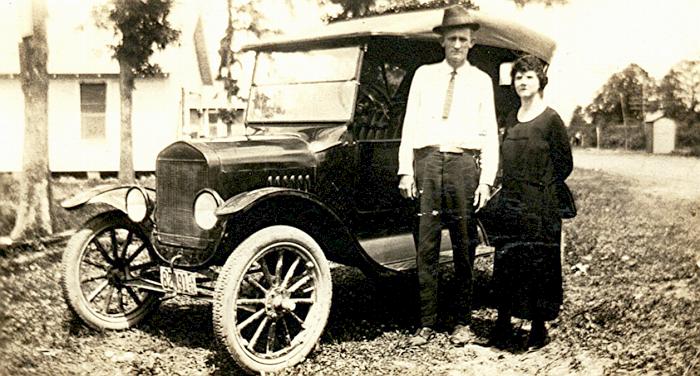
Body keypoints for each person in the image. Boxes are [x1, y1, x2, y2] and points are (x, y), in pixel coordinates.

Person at [397, 5, 499, 346]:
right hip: (427, 163)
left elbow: (489, 133)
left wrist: (486, 180)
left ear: (471, 44)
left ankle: (462, 322)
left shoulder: (481, 81)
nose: (457, 45)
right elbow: (409, 124)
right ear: (442, 42)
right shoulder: (424, 75)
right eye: (452, 38)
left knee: (463, 244)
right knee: (425, 244)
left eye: (463, 39)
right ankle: (426, 322)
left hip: (463, 166)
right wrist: (405, 171)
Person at [489, 55, 573, 349]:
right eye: (518, 77)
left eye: (529, 76)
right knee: (507, 261)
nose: (522, 82)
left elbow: (564, 164)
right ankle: (503, 326)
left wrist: (542, 188)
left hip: (540, 205)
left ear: (540, 82)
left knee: (539, 265)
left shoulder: (551, 119)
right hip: (511, 202)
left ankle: (538, 328)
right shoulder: (511, 118)